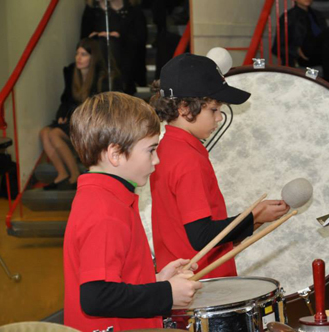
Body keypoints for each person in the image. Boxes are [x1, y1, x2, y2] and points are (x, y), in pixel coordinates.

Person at [64, 92, 202, 332]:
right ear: (115, 154)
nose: (157, 160)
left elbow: (115, 281)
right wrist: (166, 294)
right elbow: (96, 296)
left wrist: (155, 280)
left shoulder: (108, 197)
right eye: (150, 150)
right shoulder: (104, 210)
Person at [149, 54, 290, 280]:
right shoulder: (187, 159)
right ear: (185, 108)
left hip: (183, 279)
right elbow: (201, 236)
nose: (219, 118)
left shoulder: (166, 148)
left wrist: (256, 219)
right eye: (214, 109)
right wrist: (254, 215)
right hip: (203, 285)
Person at [39, 38, 122, 190]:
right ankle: (62, 174)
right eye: (77, 54)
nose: (78, 58)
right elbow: (66, 99)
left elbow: (100, 107)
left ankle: (75, 175)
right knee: (44, 132)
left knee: (54, 134)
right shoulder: (72, 73)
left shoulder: (101, 77)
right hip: (73, 120)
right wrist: (61, 114)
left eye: (83, 54)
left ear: (93, 57)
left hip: (89, 123)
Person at [271, 0, 329, 86]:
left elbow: (325, 36)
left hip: (325, 51)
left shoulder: (318, 14)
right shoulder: (288, 17)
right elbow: (277, 48)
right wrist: (296, 50)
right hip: (305, 54)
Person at [81, 0, 148, 94]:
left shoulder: (133, 10)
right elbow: (84, 39)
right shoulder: (92, 11)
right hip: (99, 54)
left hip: (126, 56)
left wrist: (118, 35)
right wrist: (97, 36)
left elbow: (140, 38)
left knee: (113, 44)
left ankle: (117, 86)